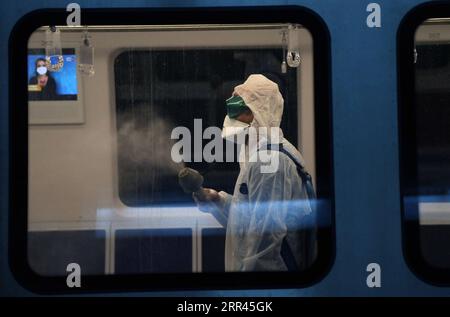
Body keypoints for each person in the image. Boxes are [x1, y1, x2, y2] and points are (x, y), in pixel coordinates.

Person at [193, 74, 317, 272]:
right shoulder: (272, 153)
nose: (232, 116)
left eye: (242, 109)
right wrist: (219, 202)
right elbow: (250, 220)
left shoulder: (268, 161)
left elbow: (265, 240)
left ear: (260, 112)